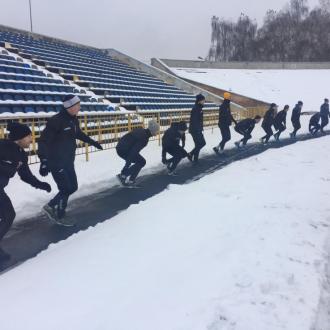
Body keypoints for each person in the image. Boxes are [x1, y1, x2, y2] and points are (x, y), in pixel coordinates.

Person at [38, 95, 103, 224]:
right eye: (77, 105)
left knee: (73, 187)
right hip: (56, 162)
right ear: (70, 107)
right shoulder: (55, 121)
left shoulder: (73, 120)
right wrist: (44, 161)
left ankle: (51, 206)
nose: (79, 107)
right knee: (66, 188)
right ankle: (60, 214)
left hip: (68, 161)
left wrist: (92, 142)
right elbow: (43, 141)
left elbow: (77, 133)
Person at [0, 122, 51, 261]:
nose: (31, 139)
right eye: (29, 136)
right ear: (20, 137)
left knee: (8, 215)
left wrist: (41, 185)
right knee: (8, 215)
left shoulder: (21, 154)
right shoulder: (2, 146)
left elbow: (25, 175)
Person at [116, 119, 160, 186]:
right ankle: (124, 176)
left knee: (140, 161)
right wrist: (126, 166)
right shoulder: (144, 138)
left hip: (121, 147)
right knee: (141, 162)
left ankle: (130, 180)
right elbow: (133, 152)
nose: (157, 133)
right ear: (153, 131)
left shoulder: (142, 131)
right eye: (157, 131)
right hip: (123, 150)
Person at [188, 94, 206, 163]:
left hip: (196, 129)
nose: (204, 101)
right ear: (199, 101)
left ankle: (195, 159)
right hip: (195, 130)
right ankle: (191, 154)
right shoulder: (196, 108)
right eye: (203, 100)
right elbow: (194, 121)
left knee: (198, 144)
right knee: (202, 143)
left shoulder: (199, 108)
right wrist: (198, 130)